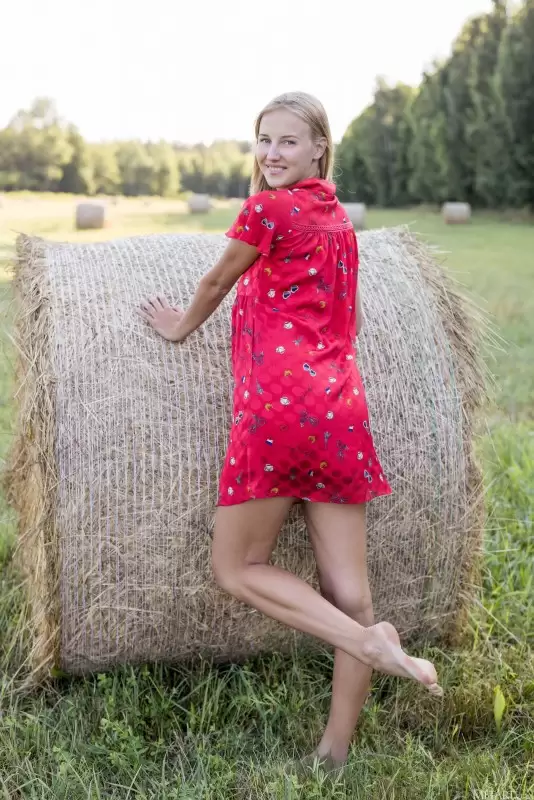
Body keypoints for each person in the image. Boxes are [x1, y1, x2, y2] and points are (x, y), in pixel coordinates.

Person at [136, 91, 442, 772]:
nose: (272, 154)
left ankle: (370, 643)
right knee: (353, 595)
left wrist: (180, 327)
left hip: (278, 409)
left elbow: (217, 280)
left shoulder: (267, 209)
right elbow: (348, 320)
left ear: (319, 148)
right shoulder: (339, 222)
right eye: (264, 140)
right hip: (341, 407)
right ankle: (333, 753)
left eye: (288, 141)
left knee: (235, 568)